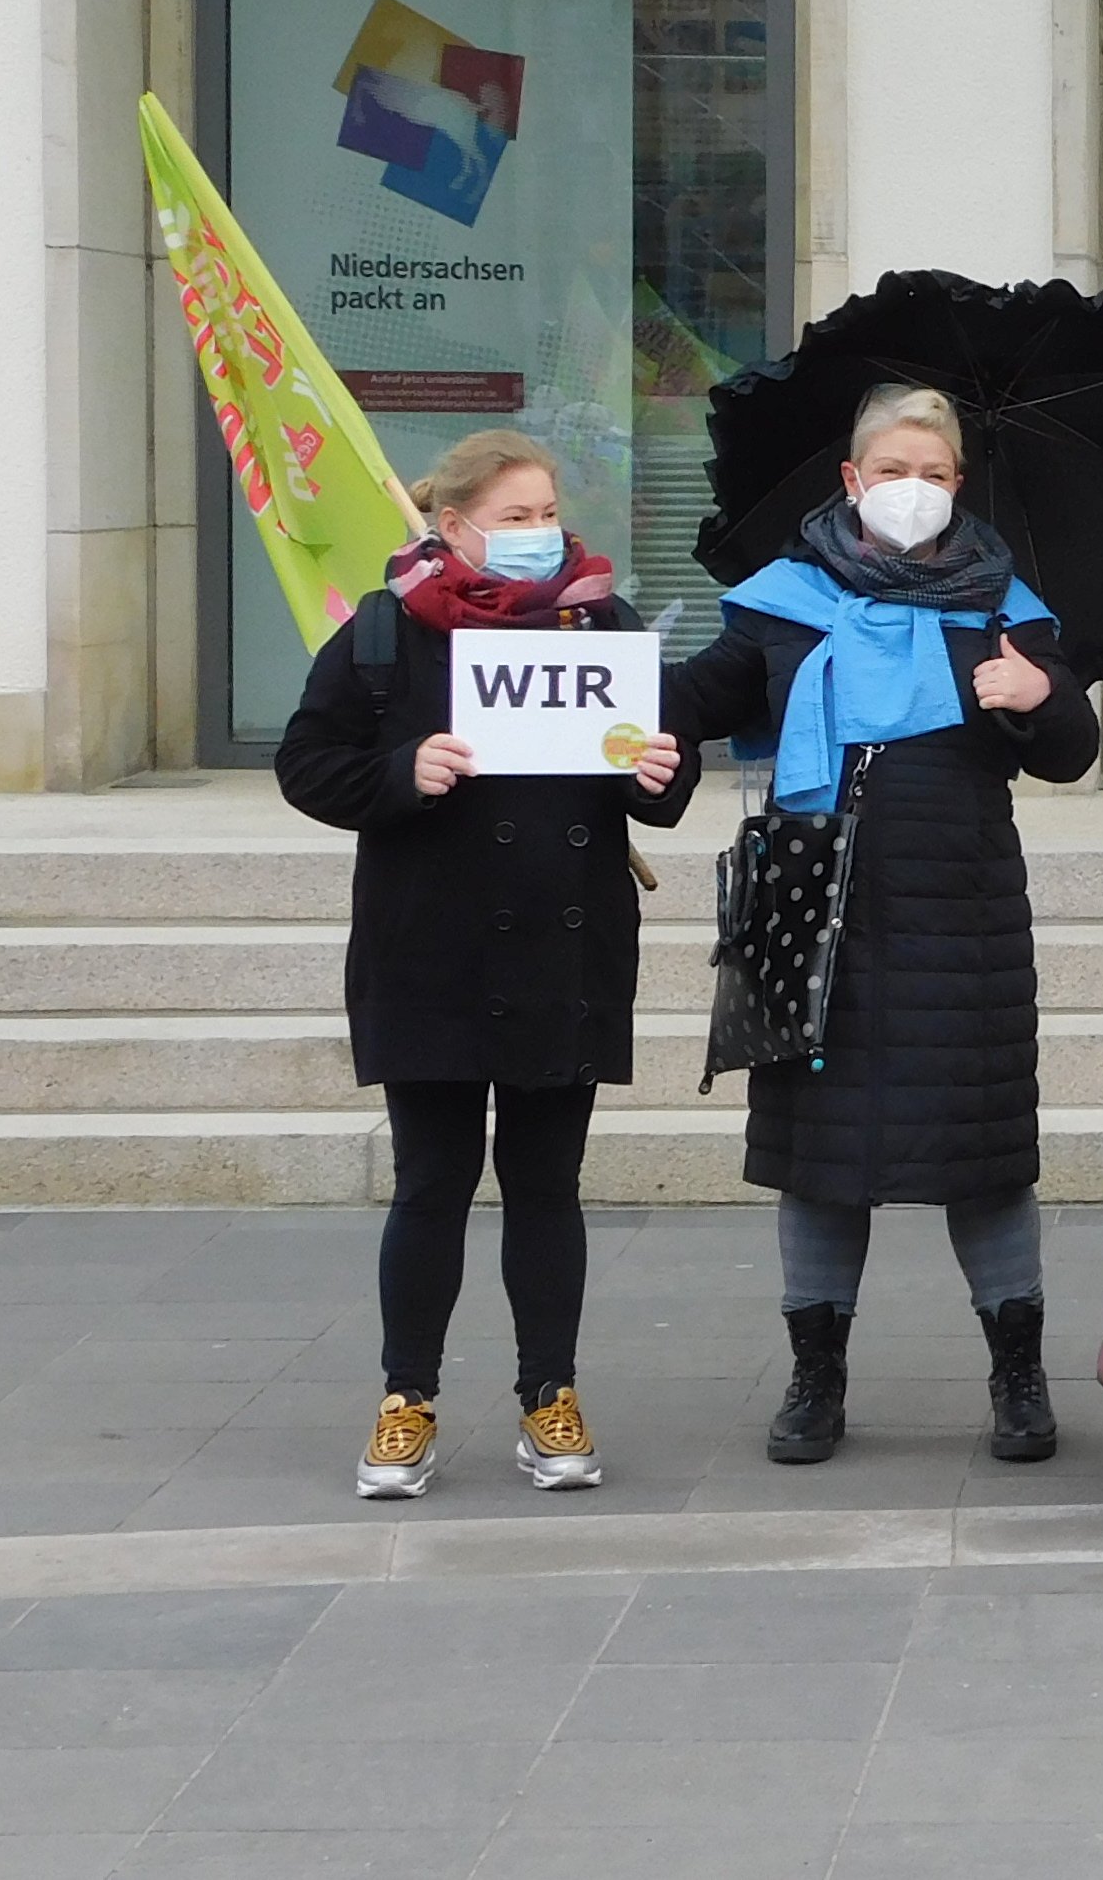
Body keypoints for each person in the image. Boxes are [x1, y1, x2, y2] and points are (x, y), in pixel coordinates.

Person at [660, 383, 1100, 1468]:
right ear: (852, 481)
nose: (916, 490)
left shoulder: (1009, 610)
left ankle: (1018, 1374)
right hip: (816, 915)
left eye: (937, 474)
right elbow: (695, 702)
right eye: (895, 470)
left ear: (960, 487)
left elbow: (1071, 748)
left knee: (984, 1152)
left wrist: (1034, 694)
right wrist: (612, 720)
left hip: (966, 917)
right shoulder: (782, 601)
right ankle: (816, 1379)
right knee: (822, 1156)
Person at [280, 429, 694, 1499]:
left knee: (546, 1187)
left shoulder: (601, 624)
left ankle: (548, 1397)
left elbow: (658, 782)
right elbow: (306, 765)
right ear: (452, 524)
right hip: (431, 950)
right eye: (514, 517)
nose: (537, 533)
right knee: (431, 1184)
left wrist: (657, 770)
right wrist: (399, 771)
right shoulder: (384, 632)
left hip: (567, 947)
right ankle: (404, 1400)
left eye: (546, 511)